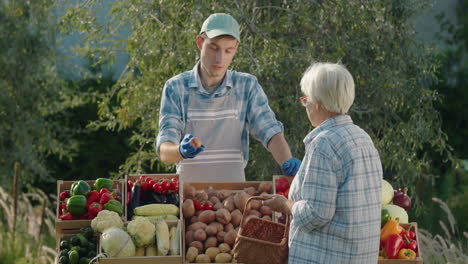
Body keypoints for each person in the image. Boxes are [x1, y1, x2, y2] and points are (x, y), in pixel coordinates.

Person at [155, 13, 301, 182]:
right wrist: (180, 150)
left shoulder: (247, 86)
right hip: (188, 197)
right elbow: (165, 150)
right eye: (213, 48)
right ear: (200, 43)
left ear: (236, 48)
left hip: (234, 196)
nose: (220, 58)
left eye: (228, 50)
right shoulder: (176, 88)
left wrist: (287, 159)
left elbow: (270, 131)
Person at [263, 62, 382, 263]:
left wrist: (286, 205)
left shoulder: (324, 144)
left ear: (317, 103)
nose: (305, 105)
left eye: (305, 99)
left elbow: (315, 215)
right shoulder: (362, 138)